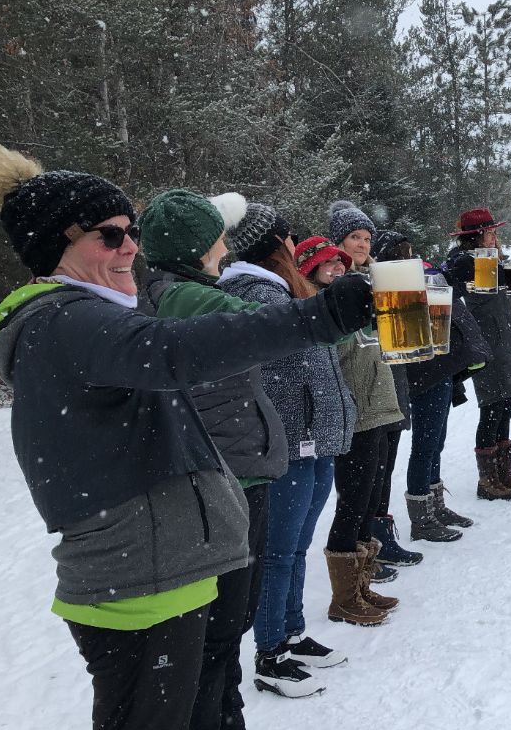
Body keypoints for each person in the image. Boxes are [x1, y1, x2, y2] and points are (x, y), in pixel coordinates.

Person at [0, 144, 372, 726]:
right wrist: (320, 316)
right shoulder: (65, 320)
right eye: (108, 236)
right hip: (140, 582)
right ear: (54, 244)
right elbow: (177, 350)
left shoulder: (77, 318)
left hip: (157, 573)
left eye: (131, 232)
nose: (130, 247)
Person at [137, 189, 288, 728]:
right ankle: (217, 716)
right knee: (217, 634)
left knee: (224, 631)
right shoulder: (183, 299)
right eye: (217, 236)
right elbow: (273, 327)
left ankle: (225, 712)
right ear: (198, 246)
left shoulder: (182, 291)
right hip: (224, 483)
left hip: (233, 474)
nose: (225, 244)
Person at [217, 207, 366, 694]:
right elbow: (279, 374)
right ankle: (269, 653)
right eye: (289, 236)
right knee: (278, 552)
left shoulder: (284, 291)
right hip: (289, 443)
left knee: (295, 548)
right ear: (277, 243)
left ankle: (292, 632)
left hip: (314, 437)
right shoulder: (258, 295)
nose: (293, 241)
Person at [324, 201, 409, 610]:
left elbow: (387, 339)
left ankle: (361, 582)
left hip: (381, 398)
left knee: (372, 493)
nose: (361, 244)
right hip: (352, 403)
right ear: (338, 240)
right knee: (353, 499)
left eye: (365, 237)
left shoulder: (377, 278)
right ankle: (345, 596)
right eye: (354, 237)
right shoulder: (332, 278)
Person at [441, 208, 511, 500]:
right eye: (490, 232)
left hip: (504, 341)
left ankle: (503, 474)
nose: (495, 237)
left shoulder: (490, 260)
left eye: (494, 232)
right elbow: (500, 274)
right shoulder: (467, 262)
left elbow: (504, 273)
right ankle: (487, 480)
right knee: (492, 407)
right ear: (476, 237)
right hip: (487, 345)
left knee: (504, 405)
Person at [361, 230, 445, 555]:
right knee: (373, 474)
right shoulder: (373, 286)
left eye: (410, 253)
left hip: (394, 389)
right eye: (401, 254)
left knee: (385, 468)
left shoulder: (406, 284)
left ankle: (382, 536)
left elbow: (410, 344)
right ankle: (373, 540)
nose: (408, 259)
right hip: (376, 393)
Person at [402, 268, 491, 538]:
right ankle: (421, 519)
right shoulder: (397, 282)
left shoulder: (425, 274)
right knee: (425, 446)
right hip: (424, 373)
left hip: (441, 369)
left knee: (435, 443)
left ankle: (435, 506)